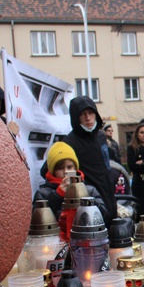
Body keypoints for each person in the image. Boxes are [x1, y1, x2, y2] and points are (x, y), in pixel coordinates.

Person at [50, 96, 117, 225]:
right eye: (83, 114)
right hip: (88, 205)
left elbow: (106, 168)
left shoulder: (101, 136)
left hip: (109, 200)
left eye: (91, 113)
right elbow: (49, 170)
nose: (88, 118)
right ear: (76, 117)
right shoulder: (69, 143)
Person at [34, 141, 109, 219]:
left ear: (75, 168)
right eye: (60, 168)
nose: (66, 171)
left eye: (69, 167)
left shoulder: (90, 190)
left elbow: (105, 216)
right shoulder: (43, 193)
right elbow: (37, 219)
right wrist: (57, 195)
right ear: (53, 171)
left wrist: (84, 197)